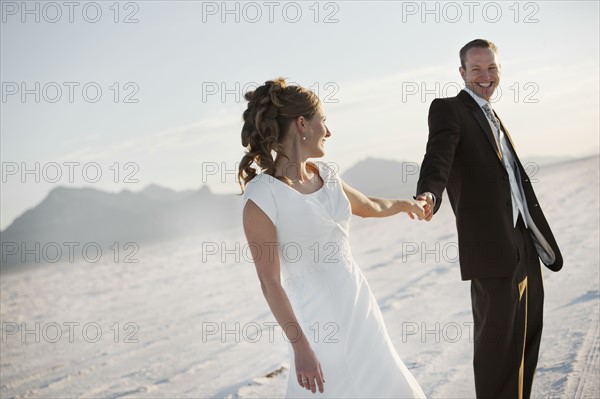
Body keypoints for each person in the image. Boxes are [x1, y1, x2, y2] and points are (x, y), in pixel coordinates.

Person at [239, 78, 427, 398]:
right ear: (302, 124)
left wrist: (404, 204)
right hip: (317, 328)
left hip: (360, 309)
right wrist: (300, 348)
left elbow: (368, 206)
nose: (328, 131)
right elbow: (270, 282)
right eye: (323, 120)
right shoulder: (262, 197)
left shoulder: (327, 175)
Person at [415, 39, 563, 399]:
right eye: (477, 69)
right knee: (497, 347)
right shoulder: (449, 109)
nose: (485, 76)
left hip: (523, 238)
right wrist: (429, 192)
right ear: (462, 73)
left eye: (492, 68)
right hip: (490, 246)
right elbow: (438, 156)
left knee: (526, 337)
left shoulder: (493, 115)